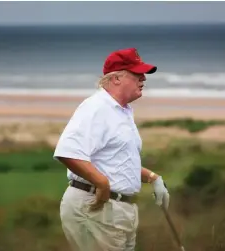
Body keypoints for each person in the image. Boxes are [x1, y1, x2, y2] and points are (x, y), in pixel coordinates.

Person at [53, 47, 170, 251]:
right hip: (96, 207)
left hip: (118, 212)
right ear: (116, 78)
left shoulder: (122, 111)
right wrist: (102, 184)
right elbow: (67, 151)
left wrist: (153, 177)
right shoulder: (97, 107)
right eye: (137, 74)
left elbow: (115, 161)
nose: (143, 78)